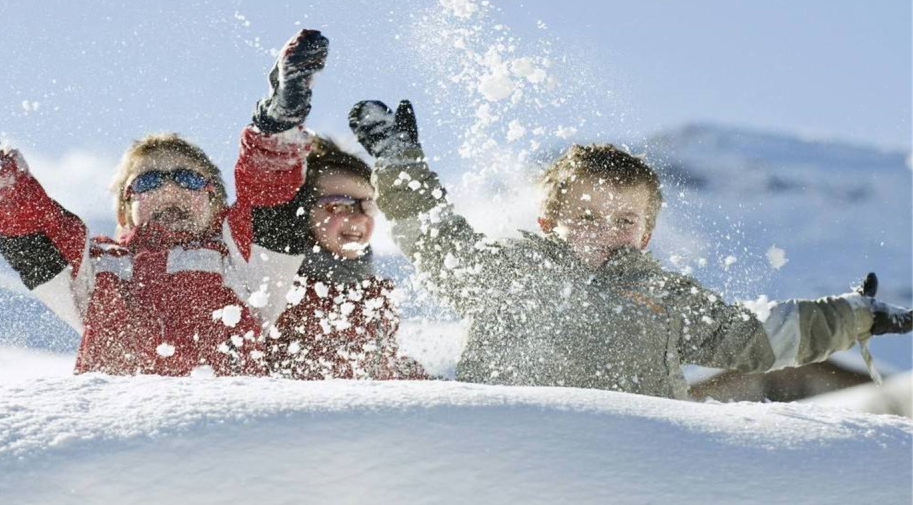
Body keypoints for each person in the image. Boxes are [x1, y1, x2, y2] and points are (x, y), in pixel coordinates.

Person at [348, 100, 913, 399]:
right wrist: (401, 164)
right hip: (507, 452)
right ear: (550, 222)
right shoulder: (508, 271)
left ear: (645, 233)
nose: (605, 229)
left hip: (635, 464)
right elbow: (435, 237)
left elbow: (756, 338)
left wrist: (852, 316)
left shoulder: (665, 295)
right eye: (586, 216)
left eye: (624, 219)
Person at [0, 29, 329, 377]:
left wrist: (277, 124)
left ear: (216, 203)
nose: (170, 190)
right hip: (120, 447)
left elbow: (267, 196)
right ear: (123, 208)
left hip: (225, 442)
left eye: (190, 178)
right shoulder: (94, 270)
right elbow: (30, 224)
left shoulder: (240, 258)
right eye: (150, 179)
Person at [253, 137, 427, 380]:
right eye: (339, 205)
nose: (358, 218)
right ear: (303, 211)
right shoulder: (277, 287)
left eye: (367, 205)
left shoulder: (373, 295)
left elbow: (381, 373)